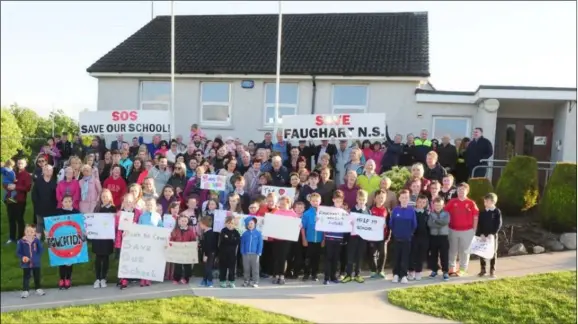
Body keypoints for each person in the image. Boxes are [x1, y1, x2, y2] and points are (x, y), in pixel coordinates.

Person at [445, 183, 479, 277]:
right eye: (459, 190)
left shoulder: (471, 203)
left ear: (467, 191)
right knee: (452, 250)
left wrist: (474, 230)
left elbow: (475, 216)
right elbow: (444, 213)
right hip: (453, 230)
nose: (460, 192)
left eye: (463, 190)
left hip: (467, 231)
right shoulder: (452, 202)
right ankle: (451, 268)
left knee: (464, 251)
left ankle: (463, 269)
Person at [115, 193, 142, 289]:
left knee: (131, 259)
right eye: (126, 201)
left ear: (134, 202)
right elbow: (115, 227)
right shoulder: (119, 213)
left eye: (130, 201)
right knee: (122, 259)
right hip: (122, 240)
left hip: (134, 240)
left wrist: (135, 225)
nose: (128, 203)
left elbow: (142, 224)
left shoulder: (138, 212)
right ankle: (123, 278)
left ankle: (129, 277)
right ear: (123, 202)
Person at [390, 190, 417, 284]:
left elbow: (414, 225)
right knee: (396, 257)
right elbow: (391, 224)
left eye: (406, 197)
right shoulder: (395, 210)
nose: (404, 199)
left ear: (408, 198)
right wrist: (395, 233)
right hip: (397, 238)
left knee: (405, 258)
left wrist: (409, 234)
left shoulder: (411, 210)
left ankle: (403, 275)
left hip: (407, 239)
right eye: (403, 197)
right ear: (399, 198)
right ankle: (396, 275)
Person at [341, 190, 369, 283]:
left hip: (362, 238)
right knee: (350, 256)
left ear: (366, 200)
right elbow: (348, 223)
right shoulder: (353, 210)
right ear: (357, 199)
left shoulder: (368, 211)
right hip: (352, 238)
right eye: (360, 199)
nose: (361, 201)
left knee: (359, 256)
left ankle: (357, 274)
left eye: (363, 200)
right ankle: (348, 275)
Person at [270, 196, 298, 285]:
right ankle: (276, 275)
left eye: (284, 204)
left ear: (288, 204)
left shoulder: (292, 213)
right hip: (277, 238)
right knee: (276, 257)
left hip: (286, 240)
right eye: (281, 203)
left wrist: (299, 226)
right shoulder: (276, 212)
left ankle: (282, 275)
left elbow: (297, 225)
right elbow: (272, 224)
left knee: (283, 258)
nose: (282, 205)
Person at [55, 195, 81, 289]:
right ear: (62, 202)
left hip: (72, 240)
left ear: (72, 202)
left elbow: (80, 225)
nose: (67, 203)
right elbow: (52, 224)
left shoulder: (76, 212)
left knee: (70, 260)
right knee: (62, 260)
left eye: (69, 201)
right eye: (65, 201)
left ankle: (68, 279)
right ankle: (62, 279)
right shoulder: (57, 212)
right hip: (61, 239)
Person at [92, 190, 116, 288]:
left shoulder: (113, 208)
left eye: (107, 196)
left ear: (110, 197)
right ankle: (97, 278)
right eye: (103, 197)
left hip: (107, 237)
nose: (105, 199)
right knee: (98, 257)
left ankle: (103, 278)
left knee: (105, 257)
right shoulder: (97, 208)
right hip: (98, 237)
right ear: (100, 198)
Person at [323, 190, 346, 285]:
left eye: (340, 201)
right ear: (333, 200)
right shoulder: (328, 211)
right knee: (328, 258)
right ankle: (326, 278)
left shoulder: (344, 212)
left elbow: (347, 224)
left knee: (336, 259)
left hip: (339, 238)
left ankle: (333, 277)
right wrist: (319, 219)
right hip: (329, 237)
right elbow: (322, 221)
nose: (338, 203)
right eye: (337, 201)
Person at [476, 193, 502, 278]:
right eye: (484, 201)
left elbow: (498, 224)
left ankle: (492, 270)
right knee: (482, 252)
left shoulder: (496, 211)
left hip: (492, 236)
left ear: (493, 202)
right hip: (483, 235)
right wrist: (481, 234)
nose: (485, 202)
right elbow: (479, 224)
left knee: (493, 252)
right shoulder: (483, 212)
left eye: (487, 201)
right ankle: (483, 270)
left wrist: (493, 233)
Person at [17, 224, 45, 298]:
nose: (29, 233)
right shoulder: (21, 242)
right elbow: (18, 252)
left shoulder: (36, 241)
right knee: (26, 276)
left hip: (36, 263)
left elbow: (41, 250)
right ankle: (25, 290)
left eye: (31, 232)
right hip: (26, 263)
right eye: (27, 231)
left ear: (34, 233)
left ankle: (38, 288)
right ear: (24, 232)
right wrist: (23, 257)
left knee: (37, 276)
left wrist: (37, 258)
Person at [300, 193, 324, 282]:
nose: (315, 203)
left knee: (316, 258)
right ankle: (306, 274)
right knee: (308, 258)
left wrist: (323, 239)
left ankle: (315, 274)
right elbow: (303, 227)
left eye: (316, 201)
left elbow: (325, 228)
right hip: (309, 240)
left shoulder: (323, 213)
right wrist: (304, 238)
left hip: (319, 239)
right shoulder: (306, 213)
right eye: (313, 201)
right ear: (310, 202)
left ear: (320, 202)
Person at [368, 189, 390, 279]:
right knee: (372, 254)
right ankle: (373, 270)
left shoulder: (387, 210)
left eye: (382, 198)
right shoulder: (370, 209)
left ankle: (380, 270)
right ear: (375, 198)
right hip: (372, 236)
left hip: (382, 236)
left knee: (383, 253)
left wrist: (388, 236)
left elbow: (389, 224)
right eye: (379, 197)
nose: (381, 199)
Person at [427, 197, 450, 281]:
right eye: (436, 205)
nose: (437, 207)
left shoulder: (446, 214)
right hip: (433, 237)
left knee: (444, 255)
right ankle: (434, 270)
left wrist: (435, 221)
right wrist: (439, 222)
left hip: (444, 237)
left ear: (443, 205)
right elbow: (430, 224)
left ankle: (445, 272)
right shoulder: (430, 214)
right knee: (433, 255)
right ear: (433, 205)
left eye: (439, 205)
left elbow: (445, 222)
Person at [31, 165, 57, 237]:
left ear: (52, 172)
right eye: (46, 170)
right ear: (43, 171)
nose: (48, 171)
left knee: (49, 224)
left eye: (50, 170)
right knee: (39, 224)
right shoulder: (38, 181)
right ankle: (37, 240)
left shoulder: (54, 182)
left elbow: (56, 196)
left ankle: (48, 240)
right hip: (40, 207)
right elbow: (34, 195)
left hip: (51, 208)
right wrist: (36, 205)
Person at [408, 195, 429, 281]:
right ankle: (411, 271)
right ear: (416, 202)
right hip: (414, 237)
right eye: (419, 202)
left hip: (424, 238)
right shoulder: (412, 212)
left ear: (426, 203)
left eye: (423, 202)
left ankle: (418, 271)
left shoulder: (427, 213)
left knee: (421, 255)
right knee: (412, 254)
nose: (421, 204)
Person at [171, 214, 197, 284]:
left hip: (187, 251)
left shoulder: (190, 230)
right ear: (179, 221)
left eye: (185, 221)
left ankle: (186, 278)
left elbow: (193, 240)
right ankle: (176, 278)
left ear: (187, 222)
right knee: (177, 266)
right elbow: (172, 239)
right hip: (178, 251)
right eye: (182, 221)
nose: (183, 222)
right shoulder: (175, 230)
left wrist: (192, 248)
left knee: (187, 266)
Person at [218, 216, 241, 288]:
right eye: (228, 223)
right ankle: (222, 281)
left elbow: (237, 242)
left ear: (234, 224)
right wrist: (231, 240)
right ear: (225, 223)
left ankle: (231, 282)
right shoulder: (223, 231)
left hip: (232, 254)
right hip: (223, 253)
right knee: (223, 268)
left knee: (232, 268)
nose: (230, 225)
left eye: (232, 223)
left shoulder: (236, 232)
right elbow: (224, 240)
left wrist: (229, 238)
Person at [241, 216, 263, 288]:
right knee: (246, 268)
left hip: (255, 254)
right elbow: (242, 243)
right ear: (246, 225)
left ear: (254, 224)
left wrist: (259, 252)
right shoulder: (245, 234)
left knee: (255, 268)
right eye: (248, 224)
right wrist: (242, 251)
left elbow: (260, 243)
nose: (250, 225)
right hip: (246, 254)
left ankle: (255, 281)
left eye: (251, 223)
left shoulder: (258, 233)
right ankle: (246, 280)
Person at [199, 215, 217, 288]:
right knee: (206, 267)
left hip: (209, 253)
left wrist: (206, 255)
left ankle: (210, 281)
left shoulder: (210, 233)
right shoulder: (206, 232)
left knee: (208, 267)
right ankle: (205, 280)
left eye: (200, 224)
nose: (200, 225)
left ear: (204, 224)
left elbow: (209, 245)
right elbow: (204, 243)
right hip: (206, 252)